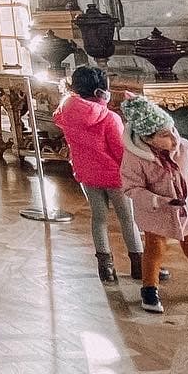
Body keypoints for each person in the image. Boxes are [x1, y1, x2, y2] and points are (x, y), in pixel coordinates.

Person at [120, 97, 188, 314]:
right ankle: (150, 290)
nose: (174, 137)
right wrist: (158, 201)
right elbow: (132, 188)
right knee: (154, 248)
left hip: (187, 210)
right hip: (157, 213)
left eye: (173, 129)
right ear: (148, 138)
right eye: (165, 135)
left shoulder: (185, 148)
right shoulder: (135, 158)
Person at [53, 66, 146, 283]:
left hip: (87, 175)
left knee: (99, 218)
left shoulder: (66, 113)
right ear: (100, 92)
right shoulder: (109, 118)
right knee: (127, 219)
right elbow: (121, 152)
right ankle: (139, 266)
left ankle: (106, 269)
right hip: (115, 177)